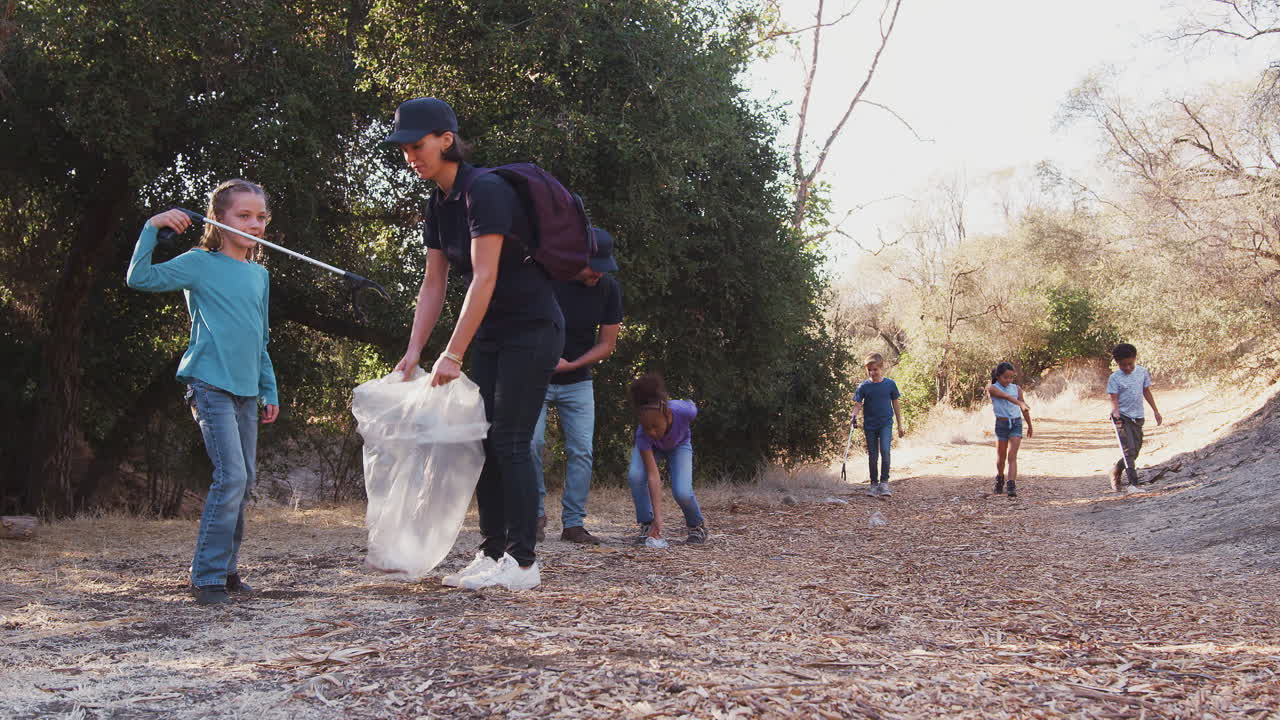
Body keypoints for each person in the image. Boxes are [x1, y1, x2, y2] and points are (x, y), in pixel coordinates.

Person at [387, 97, 563, 591]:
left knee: (510, 440)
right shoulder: (437, 203)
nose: (410, 156)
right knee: (480, 439)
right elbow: (434, 283)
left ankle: (524, 562)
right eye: (404, 148)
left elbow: (484, 277)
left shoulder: (484, 191)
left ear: (446, 140)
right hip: (491, 333)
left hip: (532, 328)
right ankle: (492, 553)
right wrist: (415, 350)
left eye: (417, 145)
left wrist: (453, 352)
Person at [126, 179, 280, 606]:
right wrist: (151, 228)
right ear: (218, 219)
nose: (254, 223)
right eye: (243, 215)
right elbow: (139, 278)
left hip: (248, 390)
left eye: (261, 217)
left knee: (243, 481)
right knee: (229, 476)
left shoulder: (259, 274)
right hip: (210, 384)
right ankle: (206, 577)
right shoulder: (199, 262)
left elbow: (260, 337)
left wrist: (269, 388)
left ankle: (228, 571)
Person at [531, 228, 623, 545]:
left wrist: (573, 364)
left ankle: (573, 524)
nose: (598, 272)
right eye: (592, 265)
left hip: (578, 381)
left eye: (603, 265)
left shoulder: (608, 288)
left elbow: (607, 343)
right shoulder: (547, 280)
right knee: (531, 445)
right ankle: (533, 517)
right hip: (536, 377)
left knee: (581, 451)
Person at [627, 373, 708, 544]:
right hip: (654, 449)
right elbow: (653, 476)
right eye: (647, 427)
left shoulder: (684, 412)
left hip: (680, 446)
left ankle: (696, 526)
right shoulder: (644, 435)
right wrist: (658, 518)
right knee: (635, 476)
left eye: (655, 426)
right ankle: (647, 525)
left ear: (667, 414)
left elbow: (692, 405)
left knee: (682, 492)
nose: (652, 432)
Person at [1107, 343, 1162, 491]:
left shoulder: (1142, 372)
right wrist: (1116, 411)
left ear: (1135, 359)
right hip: (1122, 417)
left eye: (1130, 364)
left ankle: (1116, 469)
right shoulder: (1114, 378)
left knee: (1135, 450)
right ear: (1117, 363)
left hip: (1138, 416)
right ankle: (1133, 484)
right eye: (1122, 365)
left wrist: (1156, 411)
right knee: (1128, 450)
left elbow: (1146, 391)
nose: (1127, 368)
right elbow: (1113, 398)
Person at [851, 353, 904, 497]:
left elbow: (896, 404)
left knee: (885, 451)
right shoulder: (863, 386)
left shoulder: (890, 384)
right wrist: (853, 416)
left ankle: (884, 483)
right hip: (870, 425)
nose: (872, 372)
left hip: (886, 423)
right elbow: (857, 404)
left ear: (881, 368)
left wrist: (900, 425)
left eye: (875, 369)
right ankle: (873, 484)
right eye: (869, 370)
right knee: (873, 455)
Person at [987, 361, 1033, 498]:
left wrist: (1030, 425)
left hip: (1016, 423)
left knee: (1012, 455)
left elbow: (1023, 409)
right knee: (1001, 457)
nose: (1008, 380)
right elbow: (1006, 397)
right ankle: (1000, 478)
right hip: (1002, 425)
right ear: (998, 376)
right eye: (1005, 377)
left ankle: (1011, 484)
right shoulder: (993, 388)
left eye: (1011, 377)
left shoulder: (1017, 389)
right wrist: (1020, 403)